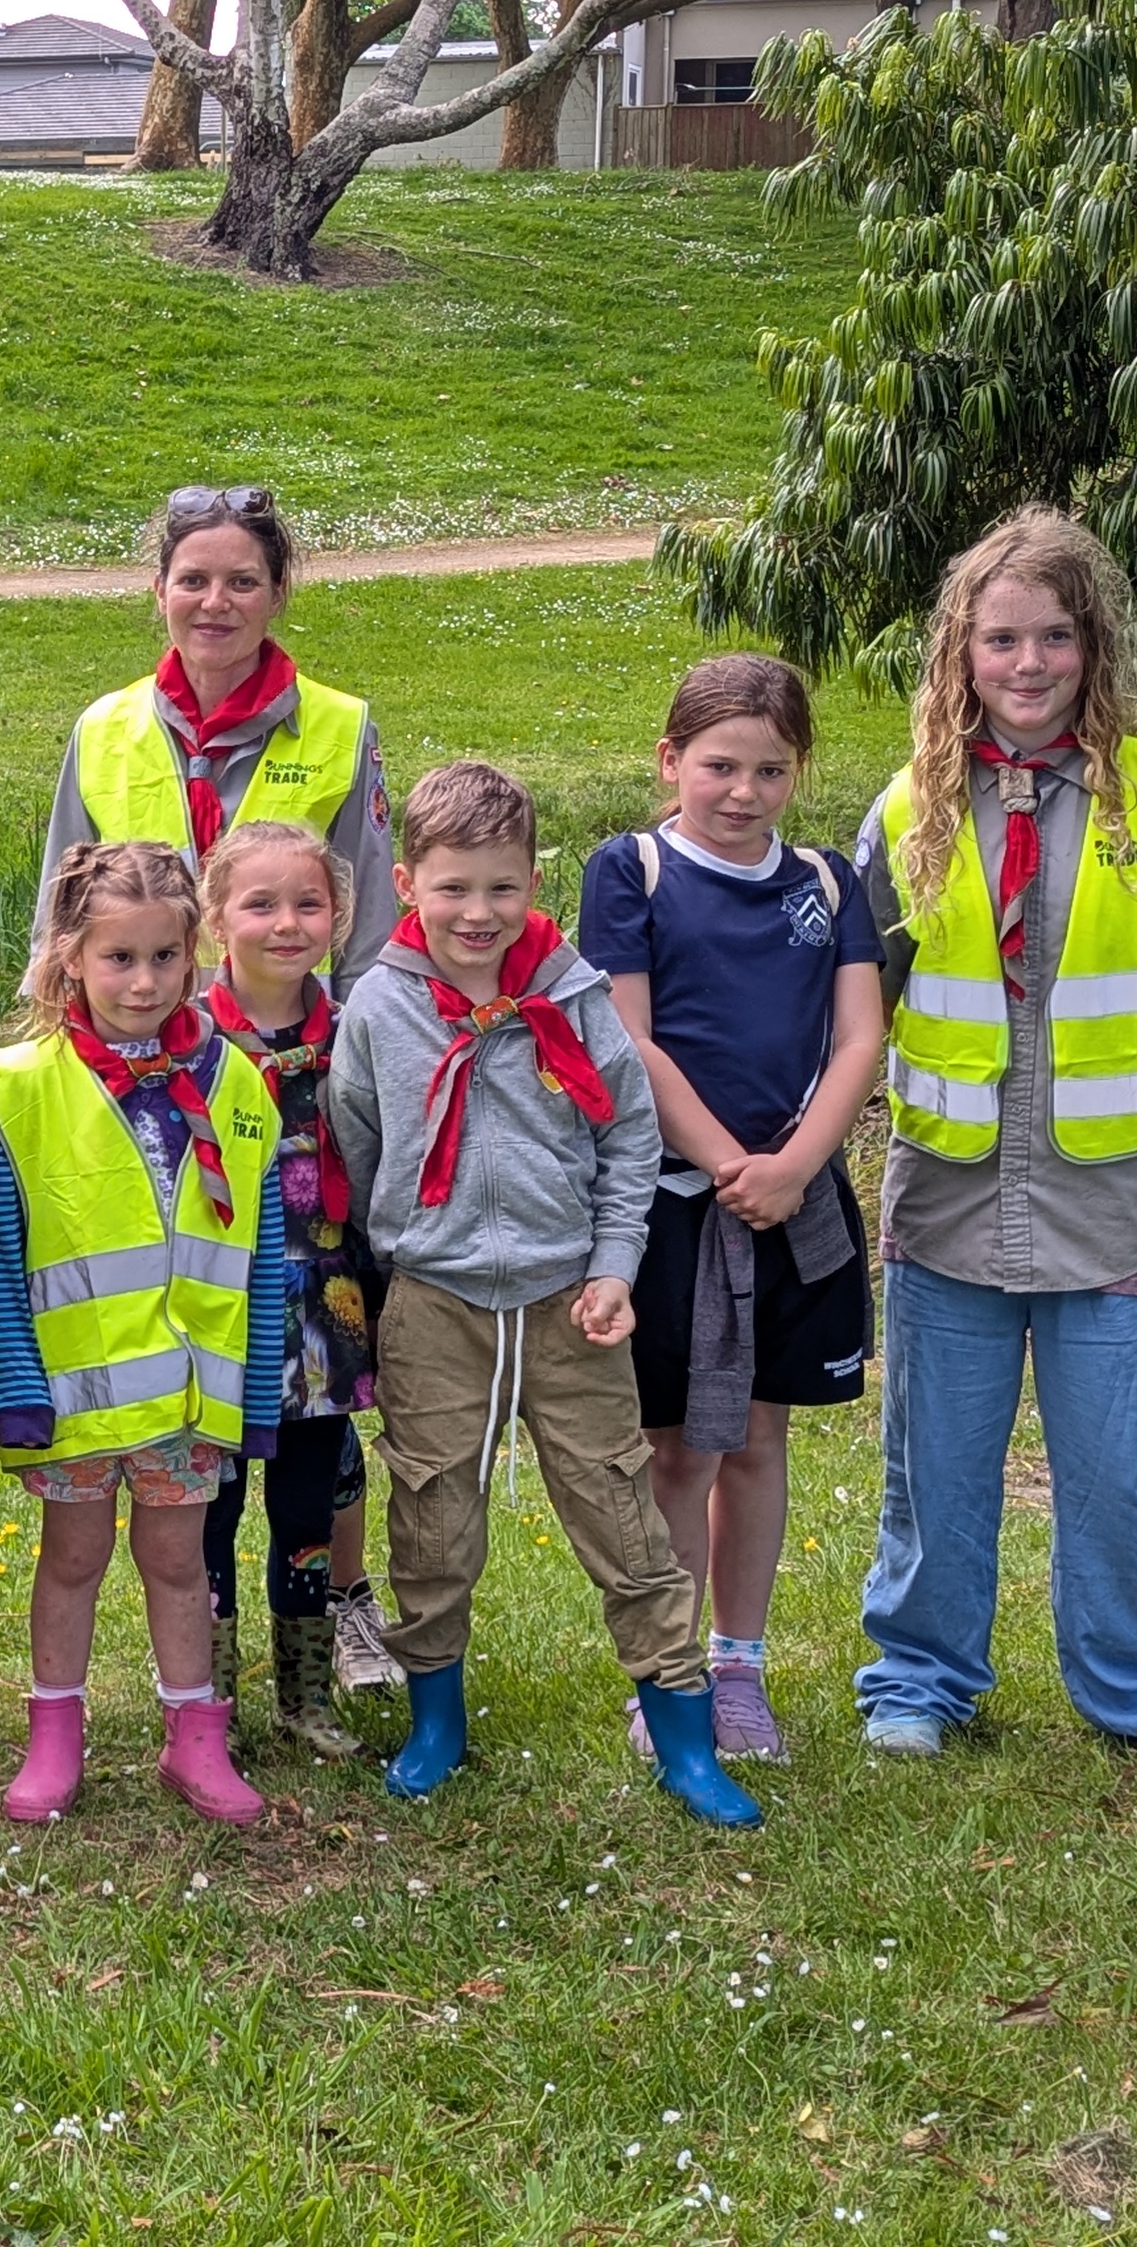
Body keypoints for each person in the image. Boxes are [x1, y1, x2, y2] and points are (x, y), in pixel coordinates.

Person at [850, 506, 1137, 1777]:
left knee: (1120, 1468)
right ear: (960, 654)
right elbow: (862, 996)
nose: (1027, 664)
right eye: (1000, 640)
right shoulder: (909, 808)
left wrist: (1125, 1057)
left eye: (1054, 637)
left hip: (1111, 1194)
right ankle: (920, 1680)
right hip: (949, 1194)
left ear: (1094, 645)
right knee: (935, 1466)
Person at [330, 762, 762, 1829]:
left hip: (571, 1299)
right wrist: (398, 1266)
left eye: (503, 888)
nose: (478, 913)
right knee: (432, 1517)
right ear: (409, 885)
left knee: (624, 1516)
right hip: (435, 1304)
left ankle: (685, 1741)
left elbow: (629, 1136)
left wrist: (614, 1264)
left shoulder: (572, 995)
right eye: (453, 888)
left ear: (534, 883)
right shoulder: (379, 1006)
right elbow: (358, 1142)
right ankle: (437, 1723)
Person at [579, 655, 886, 1766]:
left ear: (799, 773)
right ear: (670, 761)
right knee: (681, 1447)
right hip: (680, 1208)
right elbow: (630, 1040)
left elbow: (860, 1035)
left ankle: (740, 1667)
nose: (743, 791)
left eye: (770, 770)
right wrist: (727, 1166)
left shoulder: (829, 882)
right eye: (718, 766)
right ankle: (669, 1677)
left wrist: (796, 1166)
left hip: (796, 1200)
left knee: (758, 1436)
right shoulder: (633, 871)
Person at [0, 841, 290, 1829]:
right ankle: (54, 1736)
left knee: (181, 1562)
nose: (143, 982)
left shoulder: (237, 1084)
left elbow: (261, 1250)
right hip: (74, 1398)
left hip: (189, 1398)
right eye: (118, 958)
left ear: (194, 953)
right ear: (70, 955)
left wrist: (257, 1394)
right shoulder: (15, 1087)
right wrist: (18, 1393)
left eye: (163, 956)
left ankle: (194, 1737)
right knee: (71, 1560)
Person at [191, 820, 382, 1764]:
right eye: (259, 904)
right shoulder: (183, 1037)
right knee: (210, 1516)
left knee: (307, 1512)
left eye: (309, 903)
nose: (285, 923)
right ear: (215, 918)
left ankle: (307, 1698)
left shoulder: (357, 1031)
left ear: (338, 917)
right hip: (219, 1317)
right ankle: (207, 1700)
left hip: (325, 1318)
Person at [42, 485, 398, 989]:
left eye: (242, 582)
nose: (215, 602)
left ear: (277, 594)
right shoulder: (102, 728)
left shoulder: (344, 727)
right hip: (139, 1025)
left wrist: (360, 1029)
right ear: (160, 590)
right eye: (193, 580)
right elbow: (57, 925)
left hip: (293, 1030)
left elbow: (370, 930)